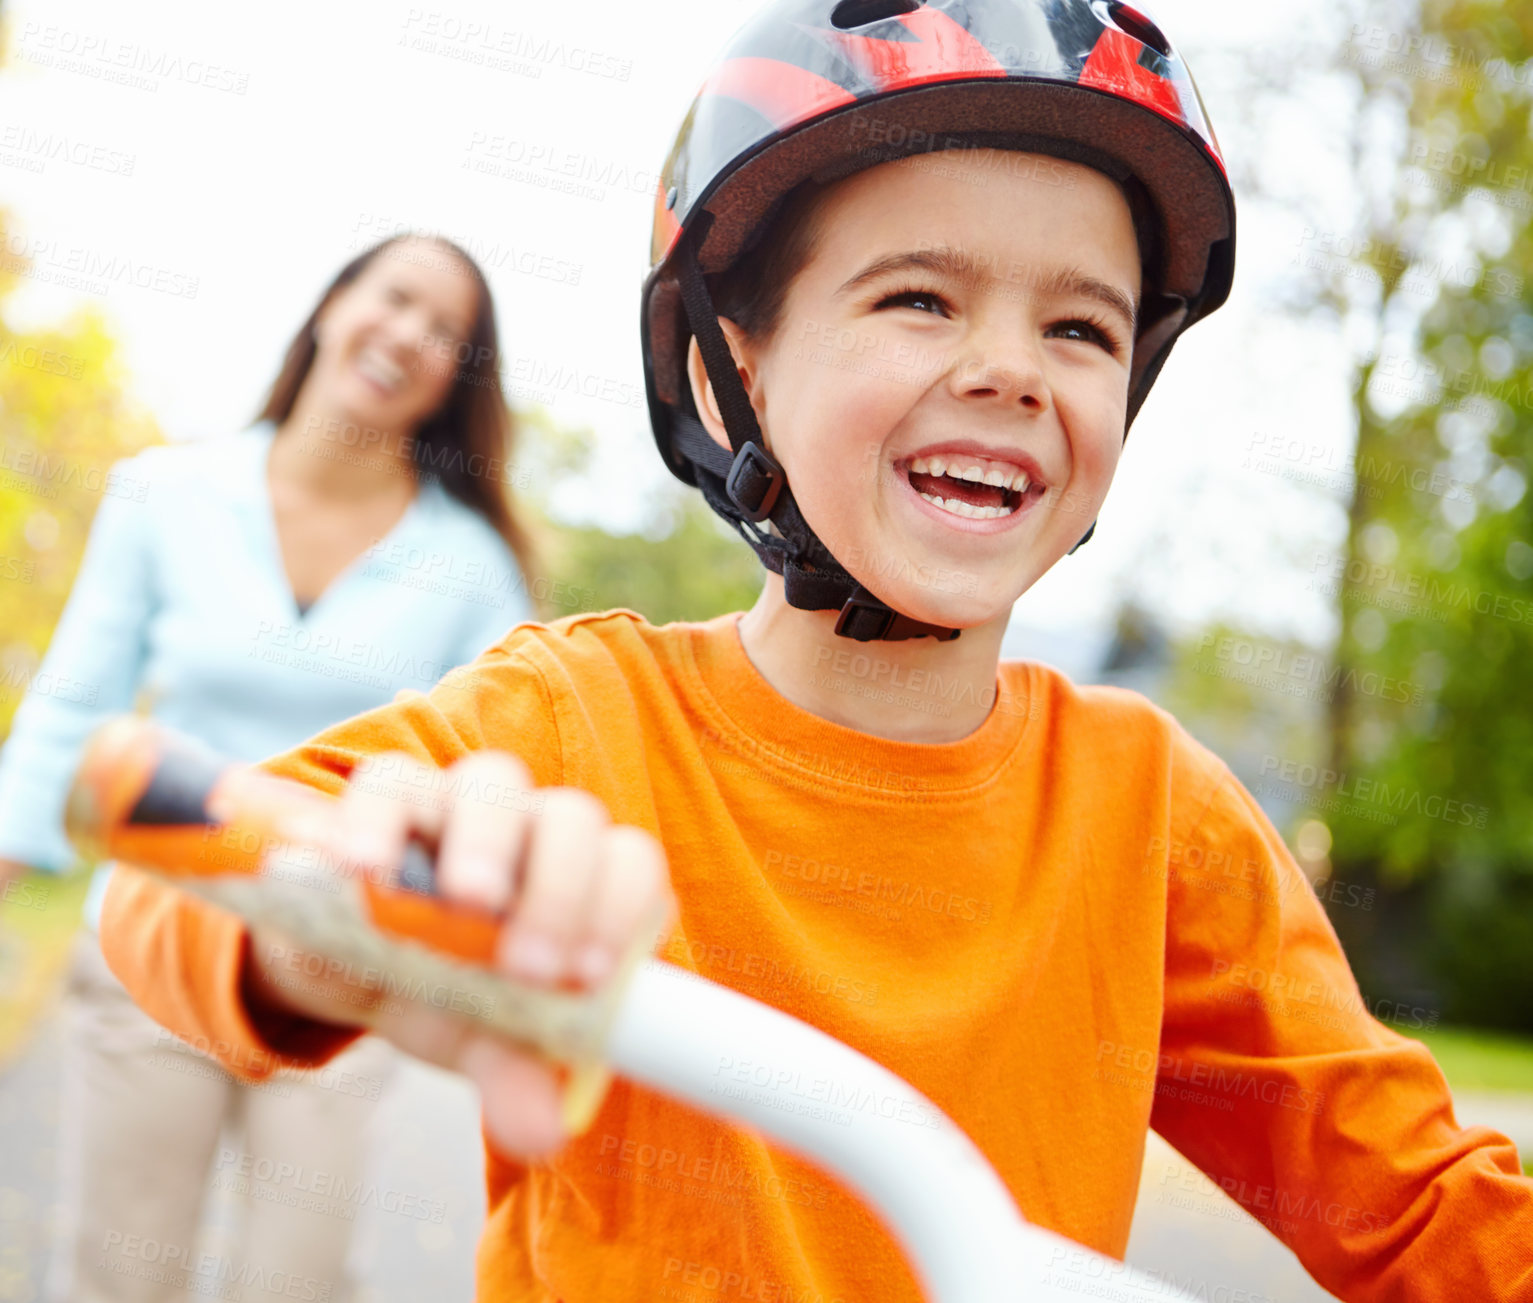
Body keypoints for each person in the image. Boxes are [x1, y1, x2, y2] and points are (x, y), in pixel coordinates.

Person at [99, 3, 1533, 1301]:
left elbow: (1413, 1198)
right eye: (919, 296)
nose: (1012, 367)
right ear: (741, 365)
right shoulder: (580, 720)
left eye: (1081, 325)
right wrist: (325, 922)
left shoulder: (1154, 816)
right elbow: (170, 894)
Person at [0, 232, 536, 1303]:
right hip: (154, 926)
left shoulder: (470, 569)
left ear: (455, 384)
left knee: (296, 1279)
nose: (412, 337)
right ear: (335, 304)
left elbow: (505, 762)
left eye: (449, 335)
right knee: (118, 1269)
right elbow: (76, 695)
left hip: (343, 961)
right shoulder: (167, 492)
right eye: (396, 299)